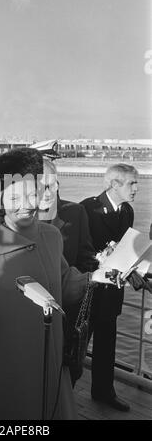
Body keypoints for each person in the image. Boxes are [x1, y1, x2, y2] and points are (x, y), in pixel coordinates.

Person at [0, 147, 109, 420]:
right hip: (4, 363)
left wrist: (94, 277)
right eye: (15, 197)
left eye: (33, 194)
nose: (28, 203)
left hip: (49, 359)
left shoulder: (52, 236)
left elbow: (63, 283)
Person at [80, 163, 139, 412]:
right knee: (77, 345)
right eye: (131, 183)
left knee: (107, 344)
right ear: (114, 184)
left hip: (113, 291)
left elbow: (126, 249)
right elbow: (80, 251)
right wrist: (101, 259)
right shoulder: (87, 208)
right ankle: (59, 394)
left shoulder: (127, 212)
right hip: (89, 290)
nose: (136, 189)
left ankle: (104, 393)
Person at [38, 157, 98, 386]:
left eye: (53, 184)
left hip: (66, 317)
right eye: (41, 185)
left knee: (64, 382)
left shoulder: (76, 212)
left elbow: (86, 258)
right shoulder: (13, 216)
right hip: (28, 318)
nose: (48, 191)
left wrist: (103, 263)